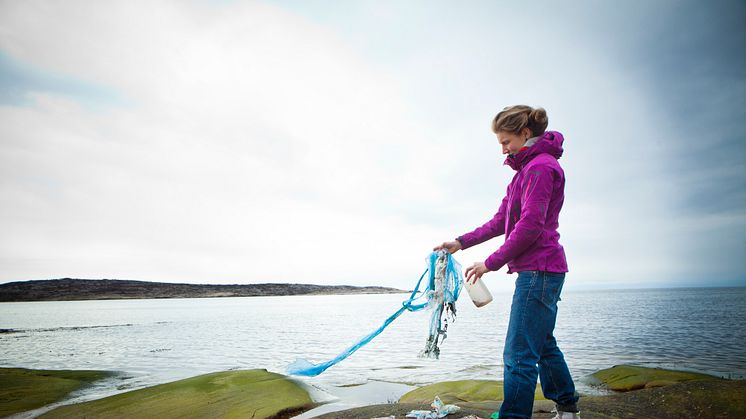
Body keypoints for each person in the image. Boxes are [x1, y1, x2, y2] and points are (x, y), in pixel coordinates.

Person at [434, 105, 580, 419]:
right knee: (542, 344)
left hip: (540, 270)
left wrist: (491, 262)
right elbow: (502, 220)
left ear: (525, 134)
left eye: (505, 141)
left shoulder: (541, 168)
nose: (502, 149)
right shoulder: (523, 173)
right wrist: (460, 242)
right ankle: (568, 408)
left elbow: (530, 226)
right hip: (543, 270)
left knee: (518, 353)